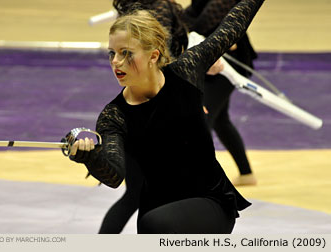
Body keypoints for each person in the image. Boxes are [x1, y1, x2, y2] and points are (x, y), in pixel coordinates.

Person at [70, 0, 264, 233]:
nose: (115, 62)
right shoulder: (114, 115)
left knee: (155, 225)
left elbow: (234, 25)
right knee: (151, 223)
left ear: (153, 56)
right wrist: (89, 156)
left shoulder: (186, 72)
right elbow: (114, 175)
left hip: (209, 200)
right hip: (157, 209)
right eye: (112, 53)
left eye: (126, 53)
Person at [97, 0, 189, 234]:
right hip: (151, 113)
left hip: (142, 108)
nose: (115, 61)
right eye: (113, 54)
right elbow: (162, 63)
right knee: (159, 194)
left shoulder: (138, 8)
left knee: (139, 195)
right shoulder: (155, 10)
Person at [182, 0, 258, 186]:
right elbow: (191, 15)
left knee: (202, 119)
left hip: (227, 63)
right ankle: (246, 174)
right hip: (209, 60)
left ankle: (198, 180)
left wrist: (176, 22)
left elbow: (204, 22)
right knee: (220, 120)